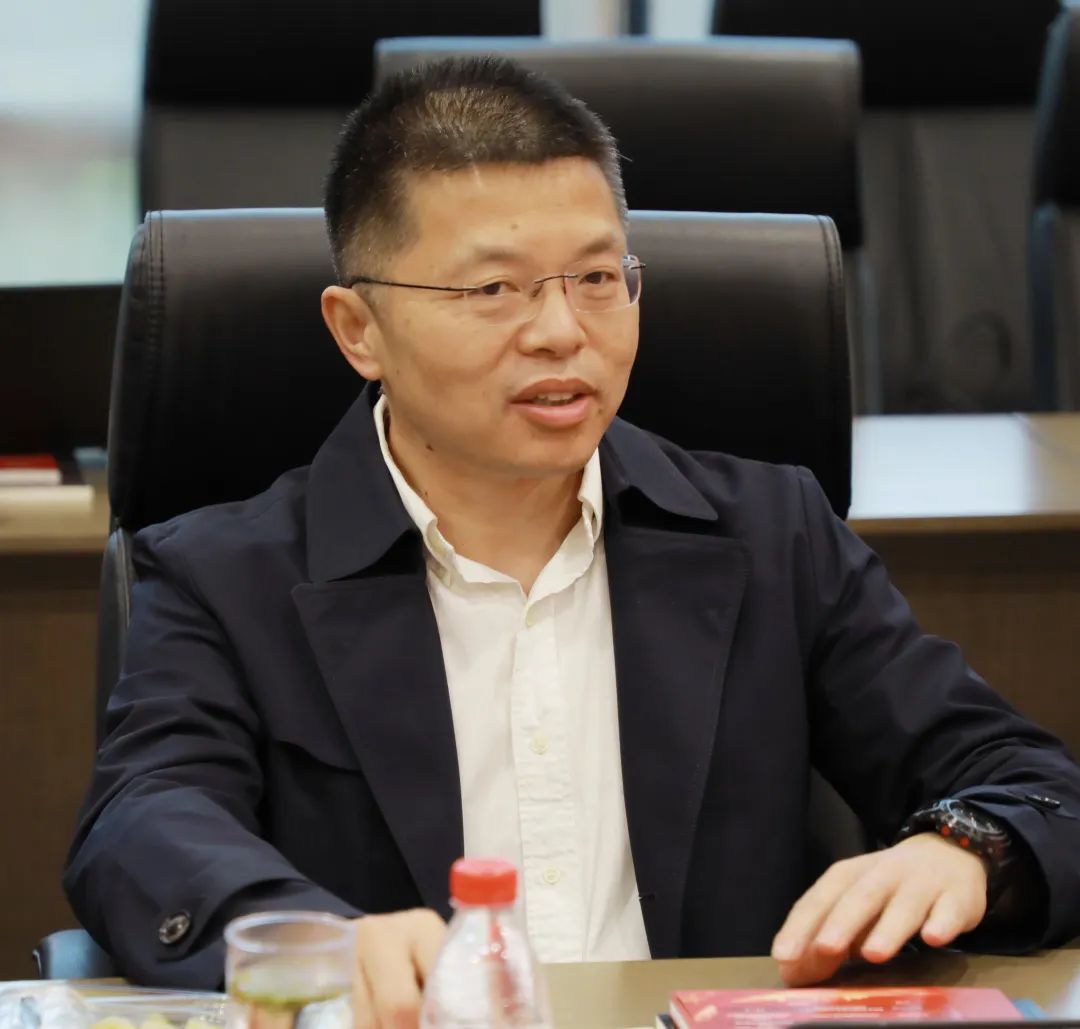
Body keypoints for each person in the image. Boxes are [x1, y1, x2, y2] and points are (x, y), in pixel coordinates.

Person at [66, 56, 1080, 1027]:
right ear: (357, 329)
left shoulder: (774, 538)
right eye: (493, 290)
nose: (562, 330)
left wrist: (966, 849)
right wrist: (304, 939)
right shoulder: (221, 577)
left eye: (598, 277)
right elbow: (142, 822)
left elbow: (1029, 782)